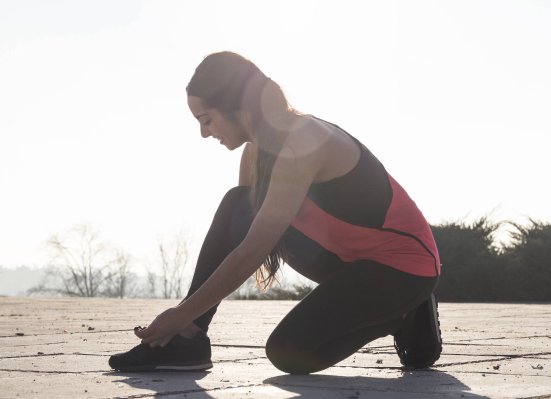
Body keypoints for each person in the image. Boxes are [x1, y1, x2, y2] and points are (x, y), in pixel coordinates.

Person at [109, 51, 442, 374]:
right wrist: (188, 319)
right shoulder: (256, 152)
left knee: (289, 352)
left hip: (404, 268)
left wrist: (180, 313)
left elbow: (252, 250)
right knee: (237, 204)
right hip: (349, 261)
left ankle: (407, 312)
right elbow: (242, 234)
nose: (204, 133)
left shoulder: (301, 143)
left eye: (206, 120)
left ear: (235, 106)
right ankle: (188, 341)